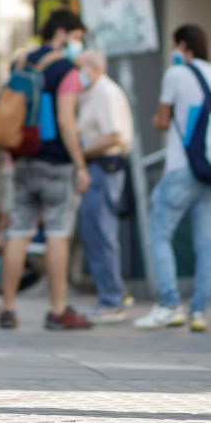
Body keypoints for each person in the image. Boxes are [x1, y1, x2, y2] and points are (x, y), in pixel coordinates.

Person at [0, 9, 92, 330]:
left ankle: (8, 308)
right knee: (57, 233)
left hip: (23, 158)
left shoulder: (21, 62)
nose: (79, 44)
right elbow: (66, 120)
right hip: (55, 162)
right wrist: (80, 164)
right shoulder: (66, 69)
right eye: (78, 37)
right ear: (63, 33)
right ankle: (57, 308)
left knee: (18, 232)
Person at [135, 24, 211, 333]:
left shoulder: (176, 74)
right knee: (205, 243)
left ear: (182, 45)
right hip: (208, 169)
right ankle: (199, 312)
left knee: (158, 232)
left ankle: (169, 304)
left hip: (182, 167)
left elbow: (163, 120)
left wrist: (157, 119)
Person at [76, 49, 133, 323]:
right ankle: (111, 294)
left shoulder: (106, 93)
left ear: (93, 68)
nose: (77, 74)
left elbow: (114, 135)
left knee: (101, 232)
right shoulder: (93, 93)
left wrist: (80, 153)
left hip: (104, 167)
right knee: (94, 232)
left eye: (79, 67)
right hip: (97, 167)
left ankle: (112, 298)